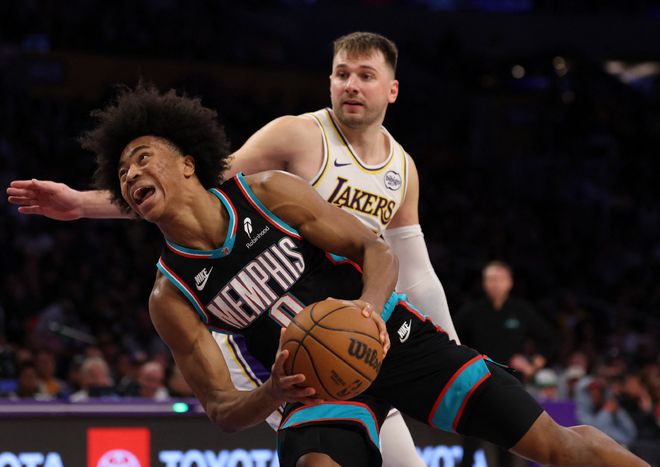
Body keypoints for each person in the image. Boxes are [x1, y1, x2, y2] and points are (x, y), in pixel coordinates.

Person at [38, 82, 648, 466]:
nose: (129, 175)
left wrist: (368, 310)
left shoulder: (267, 193)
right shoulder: (169, 294)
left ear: (189, 164)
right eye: (121, 173)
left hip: (394, 340)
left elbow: (374, 250)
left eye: (141, 158)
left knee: (557, 448)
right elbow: (221, 407)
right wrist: (273, 394)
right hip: (313, 389)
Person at [7, 32, 456, 466]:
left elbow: (416, 270)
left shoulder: (402, 167)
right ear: (330, 82)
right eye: (342, 74)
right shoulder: (297, 134)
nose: (351, 85)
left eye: (365, 75)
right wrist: (82, 204)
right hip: (273, 334)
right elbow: (190, 187)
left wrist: (450, 347)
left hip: (350, 321)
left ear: (392, 89)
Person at [455, 260, 557, 467]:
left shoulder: (520, 310)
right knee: (470, 442)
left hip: (510, 384)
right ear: (484, 283)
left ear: (510, 283)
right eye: (490, 279)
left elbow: (550, 340)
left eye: (499, 279)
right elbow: (452, 337)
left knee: (506, 444)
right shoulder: (472, 311)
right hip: (477, 382)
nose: (495, 284)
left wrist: (533, 365)